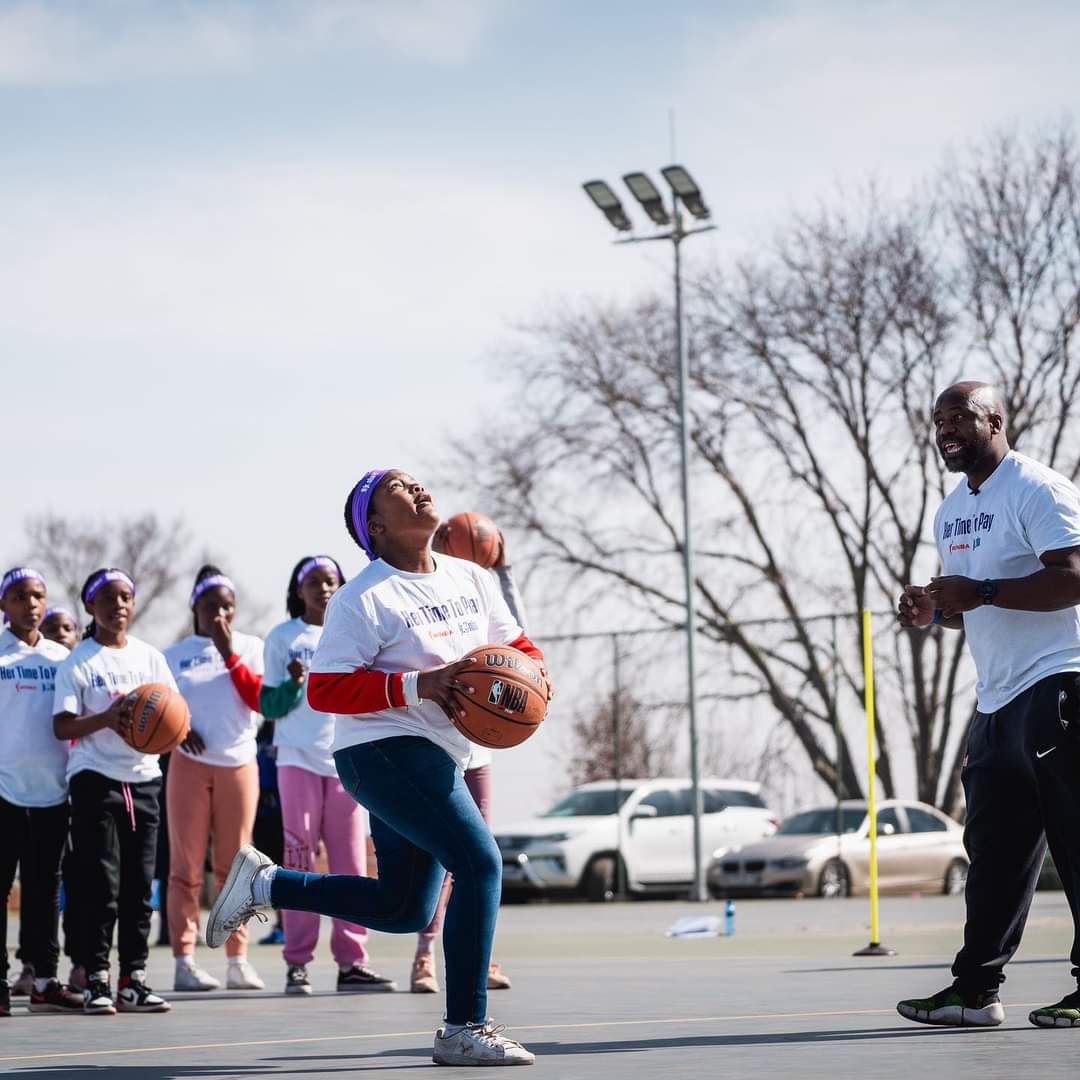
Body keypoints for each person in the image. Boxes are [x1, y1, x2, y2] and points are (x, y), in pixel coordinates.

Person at [207, 469, 550, 1066]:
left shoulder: (471, 577)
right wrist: (422, 683)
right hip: (380, 751)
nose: (419, 490)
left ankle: (265, 883)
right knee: (479, 863)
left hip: (437, 753)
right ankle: (464, 1026)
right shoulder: (363, 597)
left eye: (418, 483)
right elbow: (326, 689)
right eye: (399, 489)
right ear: (376, 525)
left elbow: (516, 647)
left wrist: (535, 674)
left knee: (404, 908)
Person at [896, 381, 1080, 1030]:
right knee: (994, 852)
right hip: (996, 699)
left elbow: (1074, 574)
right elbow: (970, 603)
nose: (945, 429)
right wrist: (935, 610)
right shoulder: (952, 511)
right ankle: (975, 991)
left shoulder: (1037, 488)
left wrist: (985, 591)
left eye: (959, 418)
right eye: (938, 420)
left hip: (1061, 684)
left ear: (995, 419)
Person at [260, 555, 394, 996]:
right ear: (298, 590)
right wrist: (292, 685)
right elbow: (269, 707)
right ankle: (297, 961)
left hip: (344, 758)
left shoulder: (351, 627)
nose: (323, 588)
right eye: (314, 581)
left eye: (331, 580)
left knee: (351, 861)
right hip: (296, 758)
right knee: (298, 855)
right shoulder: (282, 637)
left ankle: (352, 961)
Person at [53, 568, 174, 1016]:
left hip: (144, 779)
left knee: (140, 886)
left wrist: (165, 733)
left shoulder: (150, 657)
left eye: (125, 596)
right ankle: (97, 977)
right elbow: (61, 725)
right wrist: (106, 718)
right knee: (100, 884)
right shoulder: (80, 661)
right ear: (90, 606)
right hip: (95, 779)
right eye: (107, 597)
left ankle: (133, 979)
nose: (118, 604)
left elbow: (173, 717)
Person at [410, 530, 524, 995]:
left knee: (478, 861)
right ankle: (424, 956)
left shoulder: (480, 587)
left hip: (477, 749)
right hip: (432, 747)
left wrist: (503, 568)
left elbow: (518, 635)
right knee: (439, 862)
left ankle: (482, 955)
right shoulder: (427, 593)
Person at [163, 566, 270, 992]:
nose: (220, 612)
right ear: (196, 608)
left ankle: (237, 960)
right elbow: (159, 707)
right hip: (188, 766)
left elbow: (261, 699)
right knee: (185, 868)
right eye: (211, 605)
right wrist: (179, 727)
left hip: (239, 763)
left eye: (227, 605)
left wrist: (230, 652)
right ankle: (184, 960)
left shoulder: (252, 647)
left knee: (237, 868)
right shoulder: (174, 655)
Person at [0, 568, 83, 1017]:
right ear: (3, 606)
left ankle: (45, 979)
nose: (30, 604)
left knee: (44, 890)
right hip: (4, 790)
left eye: (37, 596)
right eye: (18, 596)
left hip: (54, 791)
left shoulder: (62, 658)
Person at [39, 606, 84, 992]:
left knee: (83, 882)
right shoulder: (35, 675)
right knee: (44, 885)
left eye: (67, 628)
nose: (59, 634)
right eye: (50, 629)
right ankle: (33, 967)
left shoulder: (83, 672)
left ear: (78, 633)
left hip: (84, 790)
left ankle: (82, 962)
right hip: (40, 792)